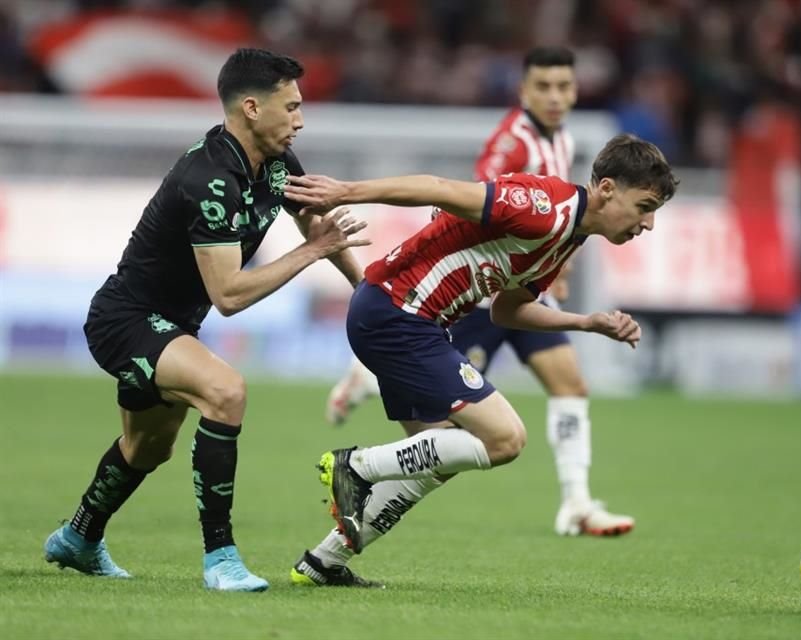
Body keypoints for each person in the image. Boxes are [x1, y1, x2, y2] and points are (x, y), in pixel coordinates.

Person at [284, 133, 678, 588]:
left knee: (434, 460)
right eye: (645, 206)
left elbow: (506, 310)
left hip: (410, 320)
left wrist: (587, 322)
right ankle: (356, 467)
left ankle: (322, 562)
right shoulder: (545, 206)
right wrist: (345, 191)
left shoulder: (570, 236)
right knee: (505, 439)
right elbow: (437, 187)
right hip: (398, 311)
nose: (647, 224)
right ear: (607, 188)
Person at [42, 48, 368, 592]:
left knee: (147, 447)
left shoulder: (278, 161)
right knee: (226, 391)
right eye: (290, 107)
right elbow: (230, 295)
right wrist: (313, 253)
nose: (300, 119)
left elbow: (317, 223)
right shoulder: (211, 178)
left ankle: (79, 537)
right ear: (251, 108)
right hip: (127, 320)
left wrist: (367, 290)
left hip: (171, 325)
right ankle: (221, 558)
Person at [324, 46, 635, 537]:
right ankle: (364, 413)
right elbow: (464, 201)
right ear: (524, 90)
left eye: (564, 87)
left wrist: (560, 274)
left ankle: (576, 501)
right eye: (544, 87)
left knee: (564, 388)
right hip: (468, 297)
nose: (555, 97)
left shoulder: (563, 141)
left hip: (514, 292)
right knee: (458, 441)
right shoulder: (513, 144)